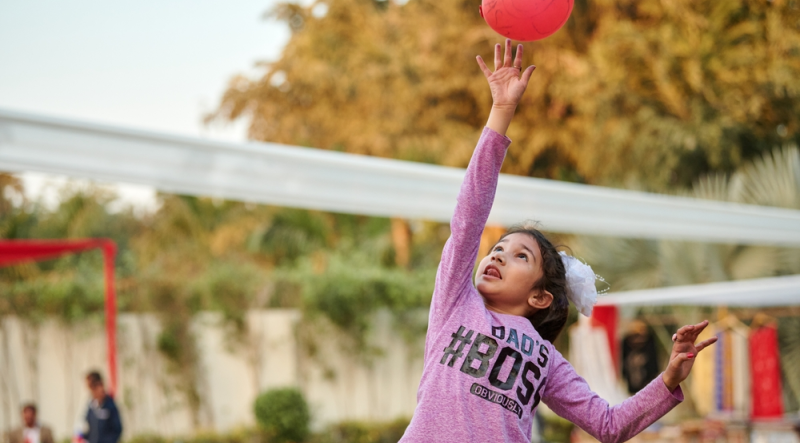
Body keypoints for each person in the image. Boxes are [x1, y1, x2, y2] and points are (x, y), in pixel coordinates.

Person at [398, 40, 718, 443]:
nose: (498, 253)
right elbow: (469, 216)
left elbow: (608, 425)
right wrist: (501, 111)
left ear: (540, 297)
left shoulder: (546, 358)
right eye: (499, 248)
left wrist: (669, 377)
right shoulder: (455, 301)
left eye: (520, 256)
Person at [82, 371, 122, 443]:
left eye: (93, 387)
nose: (92, 391)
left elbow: (117, 429)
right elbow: (87, 427)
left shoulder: (110, 405)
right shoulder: (91, 406)